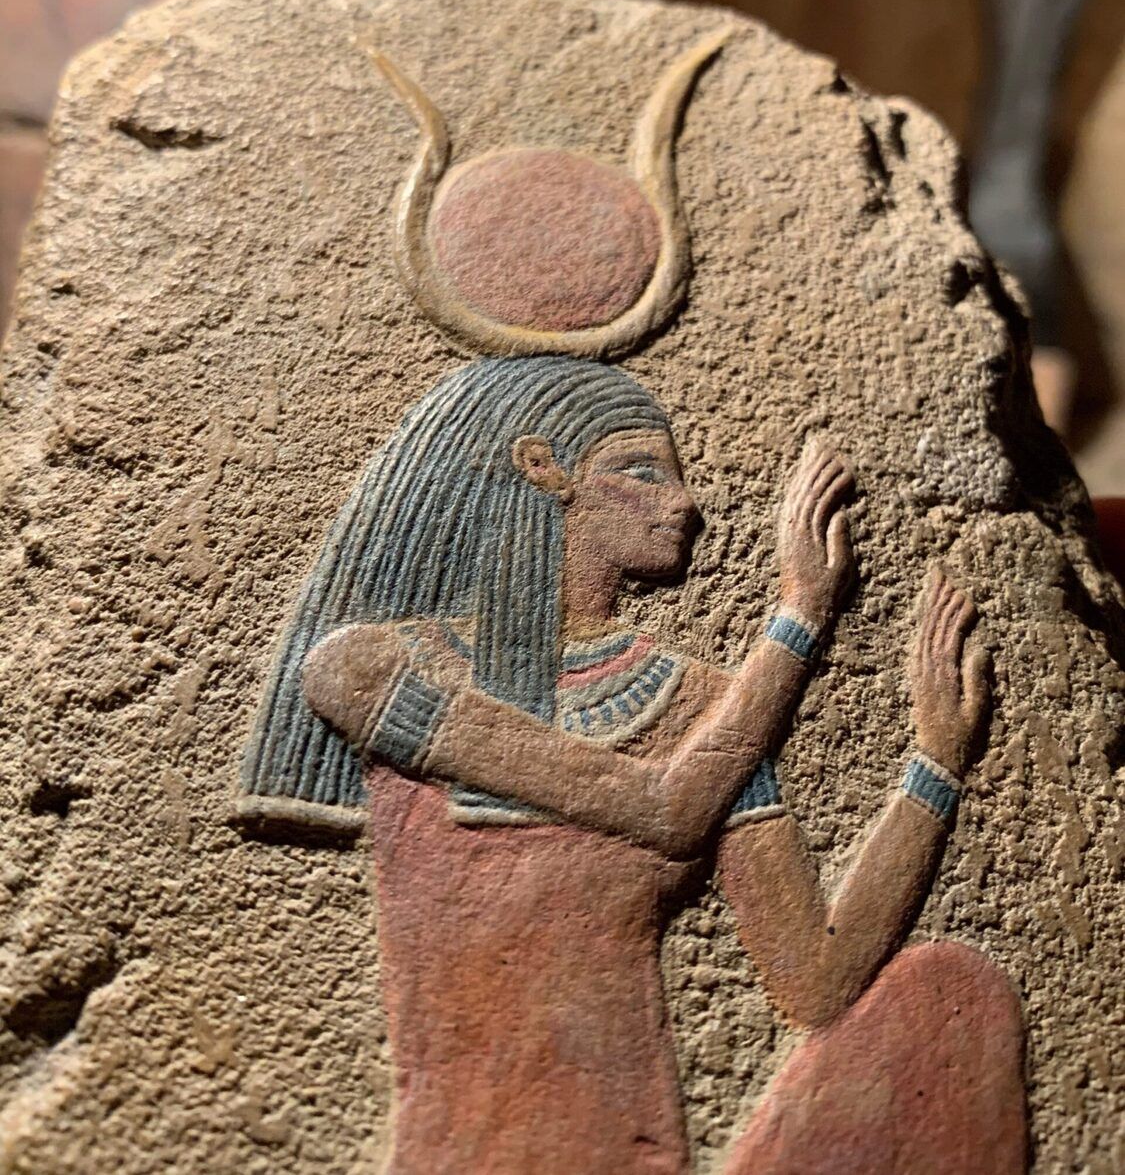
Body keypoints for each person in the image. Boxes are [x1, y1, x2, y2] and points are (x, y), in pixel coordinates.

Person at [288, 355, 1024, 1174]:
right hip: (464, 1149)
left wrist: (934, 765)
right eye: (641, 473)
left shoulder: (712, 706)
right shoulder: (373, 668)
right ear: (542, 468)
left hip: (634, 1145)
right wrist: (799, 616)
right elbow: (667, 810)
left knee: (951, 991)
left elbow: (815, 980)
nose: (684, 504)